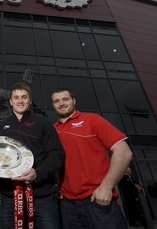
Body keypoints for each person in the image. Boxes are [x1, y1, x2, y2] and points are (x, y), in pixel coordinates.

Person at [51, 88, 133, 229]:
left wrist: (107, 186)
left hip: (97, 199)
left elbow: (124, 152)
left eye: (65, 99)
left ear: (74, 101)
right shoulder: (52, 130)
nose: (61, 103)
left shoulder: (92, 119)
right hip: (67, 205)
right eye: (56, 101)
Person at [0, 82, 65, 228]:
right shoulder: (2, 127)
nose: (20, 101)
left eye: (24, 97)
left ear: (30, 100)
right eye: (16, 97)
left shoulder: (43, 123)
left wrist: (37, 173)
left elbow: (57, 154)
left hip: (41, 195)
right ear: (10, 101)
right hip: (10, 195)